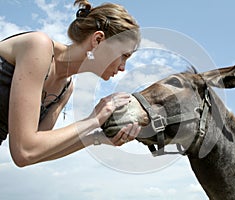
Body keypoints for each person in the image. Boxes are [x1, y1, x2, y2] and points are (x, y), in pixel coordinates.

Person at [0, 0, 141, 167]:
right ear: (97, 40)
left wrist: (96, 138)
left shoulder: (66, 89)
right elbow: (25, 149)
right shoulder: (38, 46)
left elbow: (33, 155)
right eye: (124, 55)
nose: (123, 67)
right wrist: (93, 119)